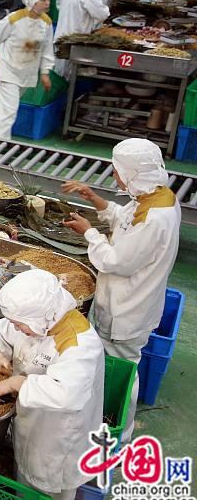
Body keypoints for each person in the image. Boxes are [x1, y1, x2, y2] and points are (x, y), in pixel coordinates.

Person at [62, 138, 180, 443]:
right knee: (114, 364)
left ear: (133, 173)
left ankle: (120, 433)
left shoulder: (155, 218)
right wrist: (93, 198)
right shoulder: (155, 196)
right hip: (125, 300)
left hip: (127, 309)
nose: (115, 177)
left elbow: (116, 261)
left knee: (123, 372)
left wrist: (88, 232)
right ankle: (103, 419)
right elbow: (123, 220)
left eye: (117, 172)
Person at [0, 270, 104, 500]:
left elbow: (67, 394)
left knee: (46, 494)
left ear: (42, 318)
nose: (17, 328)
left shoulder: (80, 344)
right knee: (25, 478)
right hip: (31, 422)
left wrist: (15, 383)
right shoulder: (34, 317)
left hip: (57, 437)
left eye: (20, 325)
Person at [0, 0, 55, 139]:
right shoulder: (13, 20)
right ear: (33, 1)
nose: (48, 3)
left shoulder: (46, 22)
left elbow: (47, 49)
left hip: (27, 72)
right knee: (9, 112)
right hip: (8, 70)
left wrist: (45, 71)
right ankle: (1, 147)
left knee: (6, 102)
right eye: (44, 0)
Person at [53, 0, 111, 75]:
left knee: (58, 70)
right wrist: (106, 8)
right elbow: (101, 14)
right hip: (76, 38)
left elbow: (59, 4)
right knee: (68, 72)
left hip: (61, 34)